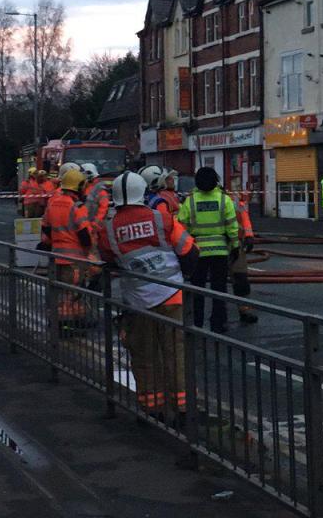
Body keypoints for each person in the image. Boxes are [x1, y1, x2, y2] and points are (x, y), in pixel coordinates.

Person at [98, 171, 199, 424]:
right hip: (172, 297)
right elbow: (190, 252)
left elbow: (108, 261)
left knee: (144, 356)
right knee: (175, 354)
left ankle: (153, 410)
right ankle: (184, 410)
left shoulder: (109, 229)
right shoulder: (161, 218)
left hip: (137, 303)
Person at [177, 167, 239, 334]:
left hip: (197, 253)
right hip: (220, 252)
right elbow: (232, 226)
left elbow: (181, 226)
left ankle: (197, 323)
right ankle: (218, 324)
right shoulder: (224, 200)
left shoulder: (190, 201)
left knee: (198, 289)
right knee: (219, 290)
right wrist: (235, 246)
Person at [37, 168, 93, 332]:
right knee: (73, 293)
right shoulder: (77, 207)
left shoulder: (53, 202)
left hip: (56, 256)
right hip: (74, 260)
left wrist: (57, 239)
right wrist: (88, 251)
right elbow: (85, 235)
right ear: (79, 186)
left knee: (59, 291)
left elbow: (45, 226)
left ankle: (68, 321)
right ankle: (67, 324)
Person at [230, 194, 258, 324]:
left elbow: (244, 218)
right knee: (216, 282)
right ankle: (218, 316)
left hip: (235, 244)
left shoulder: (233, 199)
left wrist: (248, 235)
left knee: (241, 279)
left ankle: (245, 311)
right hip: (215, 247)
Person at [81, 163, 110, 228]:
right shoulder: (86, 186)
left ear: (89, 173)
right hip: (85, 224)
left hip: (93, 227)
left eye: (83, 173)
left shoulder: (100, 189)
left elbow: (103, 209)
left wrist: (94, 224)